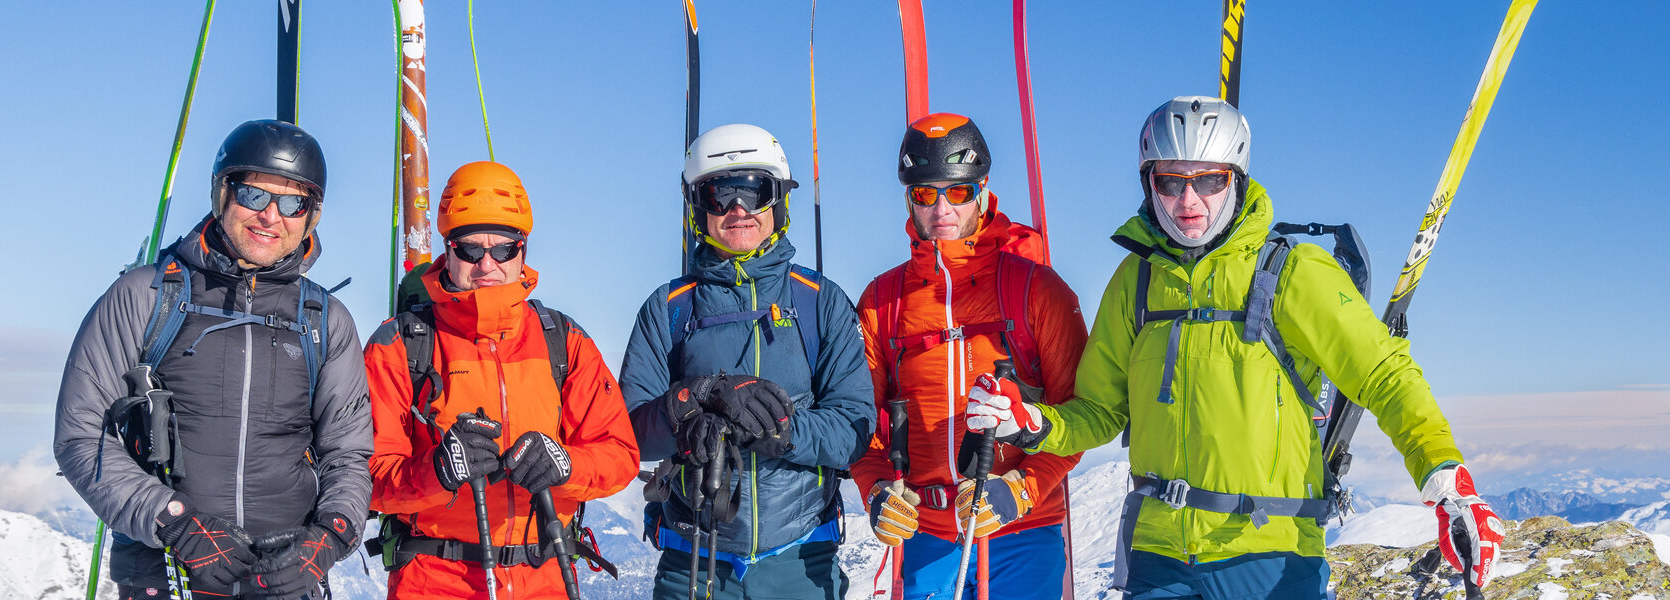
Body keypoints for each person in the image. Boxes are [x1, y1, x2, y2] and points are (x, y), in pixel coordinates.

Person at [970, 97, 1506, 599]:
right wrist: (1033, 423)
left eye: (1209, 179)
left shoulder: (1293, 272)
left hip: (1270, 553)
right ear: (1148, 183)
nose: (1188, 200)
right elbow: (1099, 412)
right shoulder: (1133, 283)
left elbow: (1384, 374)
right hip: (1157, 555)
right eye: (1171, 180)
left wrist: (1444, 477)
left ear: (1237, 179)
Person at [54, 119, 374, 600]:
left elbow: (347, 454)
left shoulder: (325, 320)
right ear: (222, 193)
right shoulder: (144, 296)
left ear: (312, 216)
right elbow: (82, 436)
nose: (271, 216)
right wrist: (174, 523)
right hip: (163, 573)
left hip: (286, 579)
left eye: (293, 203)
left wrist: (327, 539)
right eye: (253, 195)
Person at [619, 123, 874, 600]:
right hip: (692, 564)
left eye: (755, 192)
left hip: (802, 562)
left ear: (778, 203)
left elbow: (854, 429)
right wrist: (690, 402)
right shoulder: (669, 309)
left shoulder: (821, 303)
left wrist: (783, 430)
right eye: (720, 195)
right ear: (699, 208)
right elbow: (627, 434)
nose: (738, 210)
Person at [362, 161, 639, 600]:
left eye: (504, 249)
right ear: (447, 251)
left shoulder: (563, 342)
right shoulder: (400, 345)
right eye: (470, 249)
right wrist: (436, 471)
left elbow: (620, 455)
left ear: (523, 250)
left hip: (546, 576)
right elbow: (366, 477)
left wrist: (566, 465)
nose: (486, 263)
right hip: (434, 580)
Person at [851, 113, 1088, 600]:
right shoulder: (882, 300)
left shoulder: (1037, 289)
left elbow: (1082, 415)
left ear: (981, 190)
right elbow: (858, 422)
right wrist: (876, 492)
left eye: (957, 192)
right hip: (926, 537)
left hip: (1021, 531)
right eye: (925, 193)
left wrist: (1020, 489)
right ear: (909, 198)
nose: (942, 207)